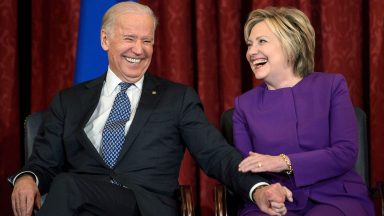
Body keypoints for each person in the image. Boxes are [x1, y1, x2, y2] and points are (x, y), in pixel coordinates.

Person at [11, 2, 293, 216]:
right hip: (82, 206)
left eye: (147, 40)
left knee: (65, 186)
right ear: (105, 40)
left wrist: (257, 189)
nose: (139, 49)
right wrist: (27, 177)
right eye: (130, 38)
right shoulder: (68, 101)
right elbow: (43, 162)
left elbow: (215, 153)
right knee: (66, 187)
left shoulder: (177, 98)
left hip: (144, 206)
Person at [234, 6, 375, 216]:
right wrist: (266, 192)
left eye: (262, 41)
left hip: (335, 196)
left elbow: (345, 153)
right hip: (275, 201)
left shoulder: (332, 86)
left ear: (291, 45)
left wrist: (283, 162)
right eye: (249, 45)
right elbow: (246, 170)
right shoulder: (243, 105)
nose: (251, 52)